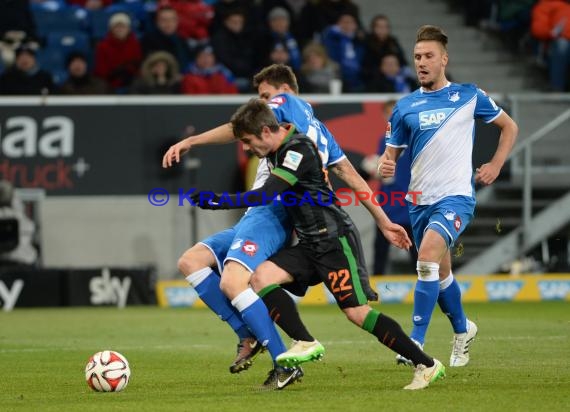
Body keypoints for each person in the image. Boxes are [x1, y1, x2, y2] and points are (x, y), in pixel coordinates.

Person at [162, 64, 411, 388]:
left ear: (284, 90)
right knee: (191, 261)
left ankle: (283, 361)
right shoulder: (320, 132)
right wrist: (384, 221)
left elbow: (240, 126)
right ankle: (248, 333)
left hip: (272, 210)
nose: (263, 104)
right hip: (260, 211)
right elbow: (352, 176)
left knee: (235, 282)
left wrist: (192, 141)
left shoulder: (285, 104)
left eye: (265, 96)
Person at [191, 98, 446, 391]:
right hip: (311, 242)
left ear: (264, 131)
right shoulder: (276, 148)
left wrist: (221, 201)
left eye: (248, 141)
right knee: (261, 277)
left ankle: (426, 364)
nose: (247, 148)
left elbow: (268, 192)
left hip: (334, 241)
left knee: (357, 314)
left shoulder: (297, 148)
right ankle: (304, 340)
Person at [377, 25, 519, 367]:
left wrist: (496, 164)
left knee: (425, 259)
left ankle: (415, 343)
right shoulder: (405, 106)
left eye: (428, 56)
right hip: (418, 201)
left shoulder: (470, 96)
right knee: (439, 274)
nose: (422, 62)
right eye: (417, 57)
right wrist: (386, 163)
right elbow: (391, 154)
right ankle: (462, 330)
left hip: (455, 198)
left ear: (444, 59)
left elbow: (509, 127)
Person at [361, 100, 417, 274]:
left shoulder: (415, 139)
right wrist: (371, 168)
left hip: (412, 202)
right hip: (389, 202)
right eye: (389, 113)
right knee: (381, 246)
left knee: (417, 249)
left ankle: (426, 284)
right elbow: (379, 169)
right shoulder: (384, 140)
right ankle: (377, 284)